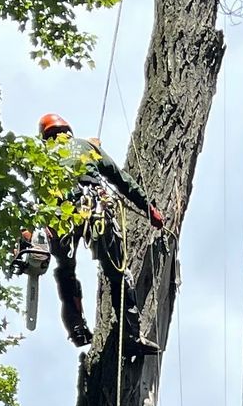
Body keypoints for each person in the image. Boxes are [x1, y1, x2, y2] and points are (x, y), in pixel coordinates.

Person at [37, 112, 166, 349]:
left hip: (59, 218)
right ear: (68, 130)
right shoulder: (86, 146)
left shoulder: (41, 157)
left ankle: (77, 329)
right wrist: (149, 209)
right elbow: (121, 179)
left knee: (66, 270)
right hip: (95, 209)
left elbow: (36, 195)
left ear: (46, 137)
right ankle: (132, 336)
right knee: (118, 273)